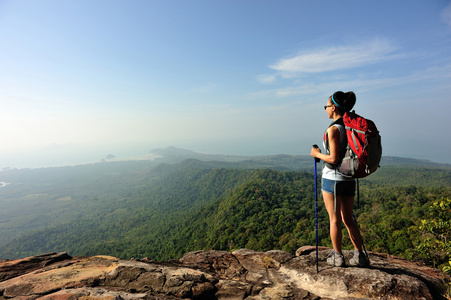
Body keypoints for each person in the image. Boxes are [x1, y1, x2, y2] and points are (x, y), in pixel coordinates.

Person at [310, 91, 369, 267]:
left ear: (334, 107)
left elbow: (334, 158)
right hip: (349, 179)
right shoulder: (349, 127)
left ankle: (337, 256)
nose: (326, 109)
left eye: (326, 106)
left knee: (334, 219)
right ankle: (360, 255)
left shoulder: (334, 129)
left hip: (332, 180)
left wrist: (317, 154)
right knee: (348, 219)